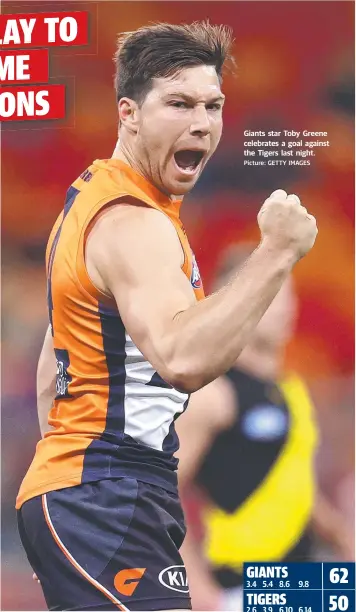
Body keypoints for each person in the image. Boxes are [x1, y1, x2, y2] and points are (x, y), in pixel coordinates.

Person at [16, 21, 317, 612]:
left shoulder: (101, 206)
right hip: (107, 492)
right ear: (128, 113)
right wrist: (278, 252)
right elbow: (182, 361)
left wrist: (61, 485)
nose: (200, 123)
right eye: (177, 104)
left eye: (212, 106)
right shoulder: (133, 222)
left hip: (97, 493)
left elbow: (55, 362)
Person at [176, 244, 353, 612]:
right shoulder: (214, 394)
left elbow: (289, 482)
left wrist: (339, 535)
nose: (285, 307)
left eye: (288, 293)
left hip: (298, 574)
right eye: (272, 293)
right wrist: (194, 582)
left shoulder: (292, 391)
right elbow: (158, 491)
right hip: (239, 583)